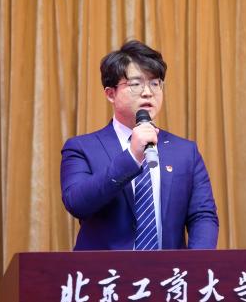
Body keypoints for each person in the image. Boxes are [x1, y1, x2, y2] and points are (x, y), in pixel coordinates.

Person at [60, 40, 218, 250]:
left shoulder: (185, 152)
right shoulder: (81, 148)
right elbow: (77, 203)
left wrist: (195, 264)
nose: (148, 92)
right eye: (136, 84)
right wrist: (132, 157)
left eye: (155, 83)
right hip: (105, 270)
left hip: (168, 270)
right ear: (110, 93)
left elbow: (202, 216)